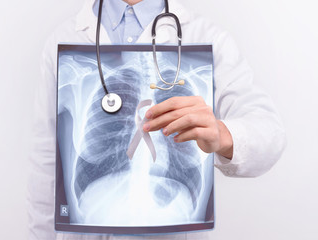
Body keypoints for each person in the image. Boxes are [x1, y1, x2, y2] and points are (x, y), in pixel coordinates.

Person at [27, 0, 286, 239]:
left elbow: (269, 133)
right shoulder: (63, 39)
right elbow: (45, 164)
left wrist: (223, 135)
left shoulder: (208, 37)